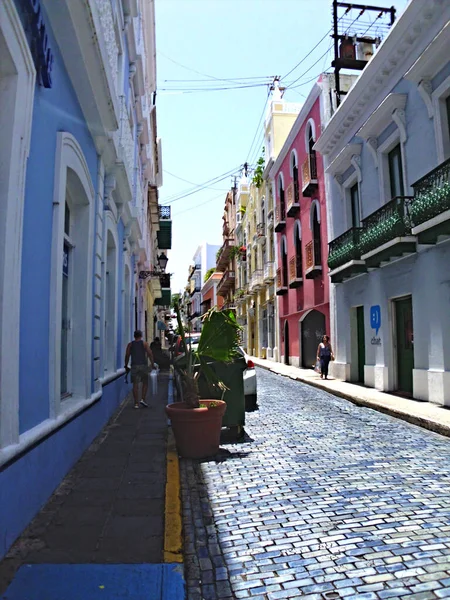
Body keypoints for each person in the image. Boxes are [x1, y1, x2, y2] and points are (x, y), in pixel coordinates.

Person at [124, 330, 155, 409]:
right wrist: (152, 363)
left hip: (134, 366)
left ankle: (136, 403)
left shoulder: (130, 345)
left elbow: (127, 355)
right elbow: (150, 353)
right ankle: (143, 399)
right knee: (145, 383)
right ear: (141, 336)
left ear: (134, 336)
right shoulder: (144, 344)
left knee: (135, 385)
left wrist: (126, 365)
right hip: (143, 366)